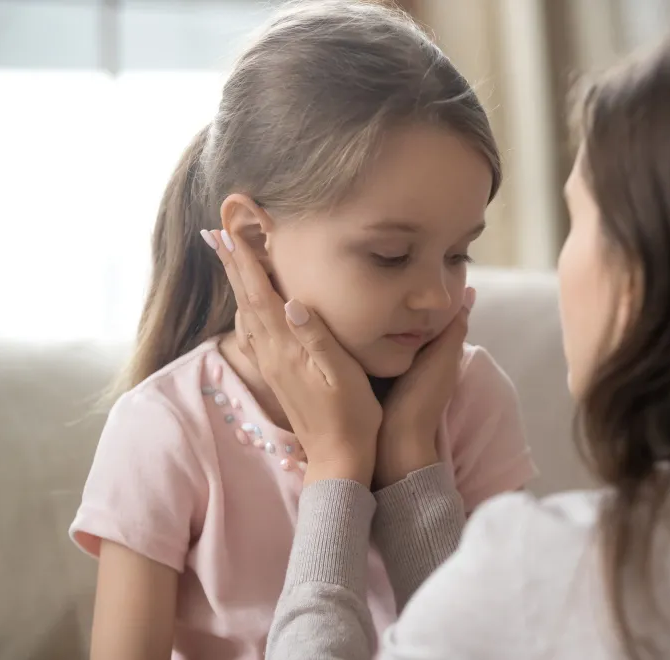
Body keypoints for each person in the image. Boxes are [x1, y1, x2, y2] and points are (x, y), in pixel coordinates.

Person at [212, 6, 670, 660]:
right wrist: (411, 453)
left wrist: (336, 468)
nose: (436, 296)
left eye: (578, 218)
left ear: (640, 279)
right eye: (390, 255)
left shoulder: (559, 574)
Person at [68, 2, 536, 658]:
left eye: (459, 254)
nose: (437, 295)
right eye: (389, 256)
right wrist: (344, 461)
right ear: (256, 238)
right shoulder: (165, 430)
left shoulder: (470, 400)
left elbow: (494, 647)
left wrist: (412, 457)